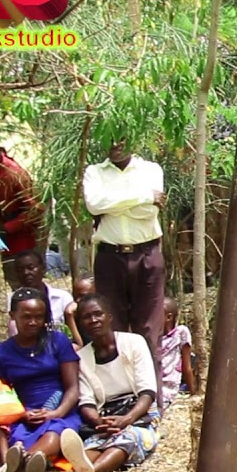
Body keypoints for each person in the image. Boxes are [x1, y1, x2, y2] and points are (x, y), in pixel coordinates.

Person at [58, 294, 160, 472]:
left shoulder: (134, 343)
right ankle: (80, 469)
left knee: (128, 439)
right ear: (80, 324)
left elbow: (147, 391)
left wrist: (127, 419)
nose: (93, 320)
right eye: (86, 317)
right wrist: (99, 422)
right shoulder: (82, 358)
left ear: (109, 317)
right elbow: (86, 401)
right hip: (106, 418)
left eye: (98, 314)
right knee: (93, 445)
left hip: (139, 414)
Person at [82, 137, 166, 363]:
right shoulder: (94, 172)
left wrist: (111, 204)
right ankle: (119, 384)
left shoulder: (150, 170)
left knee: (149, 330)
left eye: (121, 140)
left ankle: (151, 386)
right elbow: (94, 205)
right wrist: (145, 196)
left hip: (147, 256)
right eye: (110, 139)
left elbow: (148, 212)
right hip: (110, 258)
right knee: (113, 328)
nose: (115, 146)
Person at [0, 288, 82, 472]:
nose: (33, 322)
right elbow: (0, 393)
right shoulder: (2, 352)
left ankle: (20, 469)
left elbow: (73, 388)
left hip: (60, 409)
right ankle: (21, 467)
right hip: (24, 412)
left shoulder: (57, 341)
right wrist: (22, 413)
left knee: (54, 433)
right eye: (26, 317)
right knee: (13, 435)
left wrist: (56, 413)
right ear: (12, 316)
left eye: (39, 317)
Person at [0, 136, 43, 285]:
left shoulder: (14, 173)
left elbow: (35, 209)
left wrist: (8, 228)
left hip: (19, 239)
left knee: (23, 280)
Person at [7, 250, 74, 338]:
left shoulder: (62, 298)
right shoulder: (12, 300)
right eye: (20, 270)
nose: (26, 273)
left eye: (31, 268)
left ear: (43, 268)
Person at [158, 296, 195, 408]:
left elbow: (186, 366)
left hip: (168, 388)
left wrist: (193, 393)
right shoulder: (152, 336)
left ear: (168, 317)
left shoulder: (180, 333)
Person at [64, 275, 96, 349]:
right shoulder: (73, 315)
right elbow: (76, 348)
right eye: (75, 296)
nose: (78, 300)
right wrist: (70, 318)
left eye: (82, 296)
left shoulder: (98, 318)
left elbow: (81, 347)